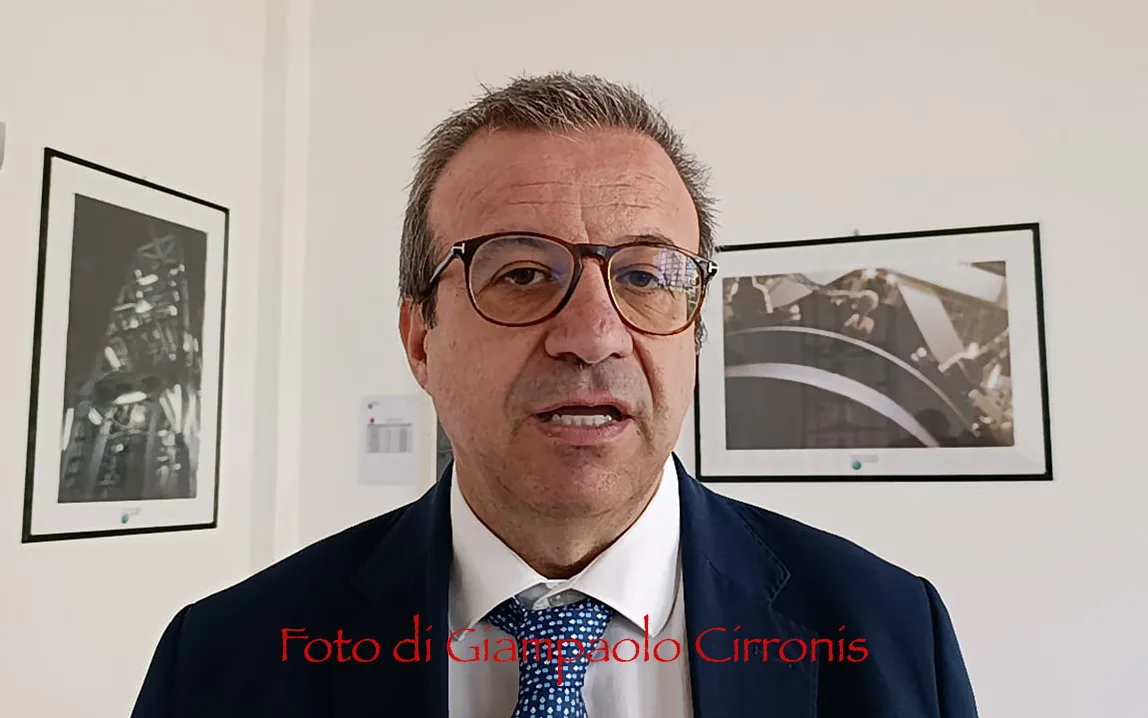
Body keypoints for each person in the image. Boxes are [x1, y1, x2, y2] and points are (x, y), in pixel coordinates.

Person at [130, 72, 979, 717]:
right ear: (420, 339)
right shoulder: (224, 660)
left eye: (645, 277)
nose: (593, 335)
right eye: (523, 274)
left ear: (693, 330)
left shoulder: (891, 634)